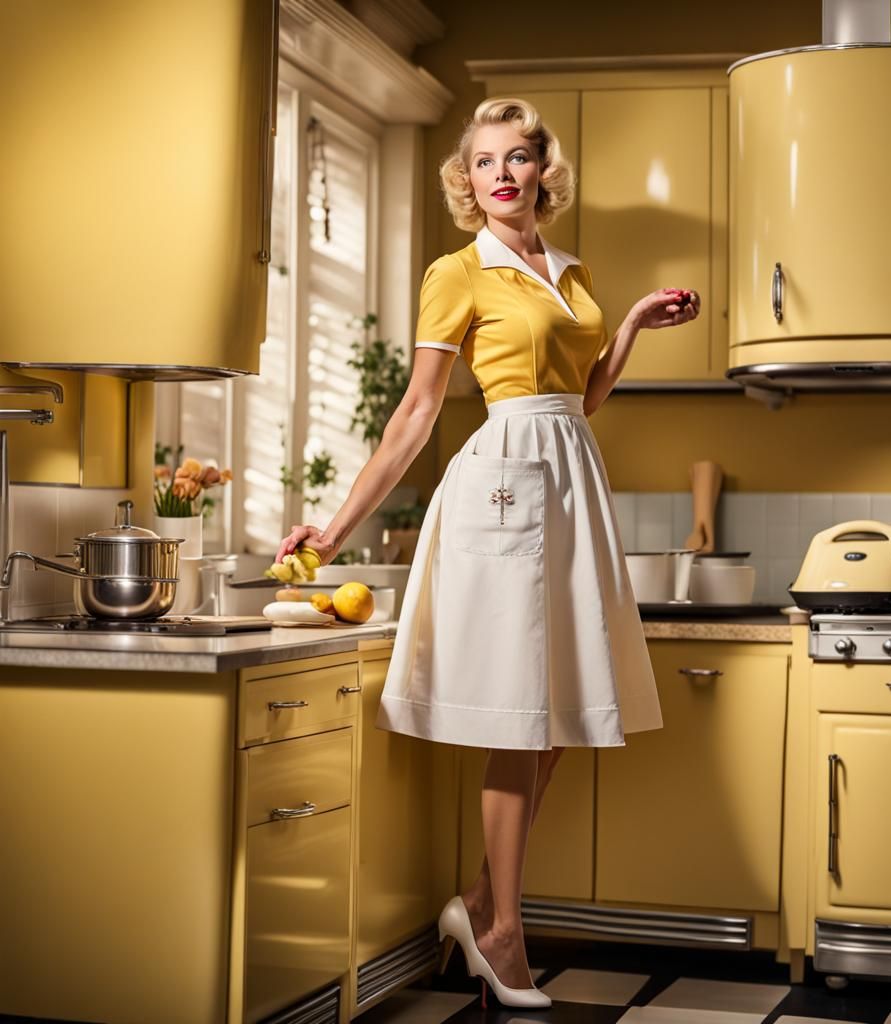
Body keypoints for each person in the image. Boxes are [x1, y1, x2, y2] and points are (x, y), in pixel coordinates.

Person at [276, 97, 701, 1010]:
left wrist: (628, 325)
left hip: (571, 481)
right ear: (466, 181)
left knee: (555, 719)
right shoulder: (458, 272)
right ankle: (504, 931)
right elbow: (418, 412)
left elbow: (581, 397)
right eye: (483, 161)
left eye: (517, 157)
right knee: (521, 718)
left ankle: (476, 905)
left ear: (544, 170)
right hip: (506, 484)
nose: (502, 173)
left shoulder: (570, 270)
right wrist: (334, 531)